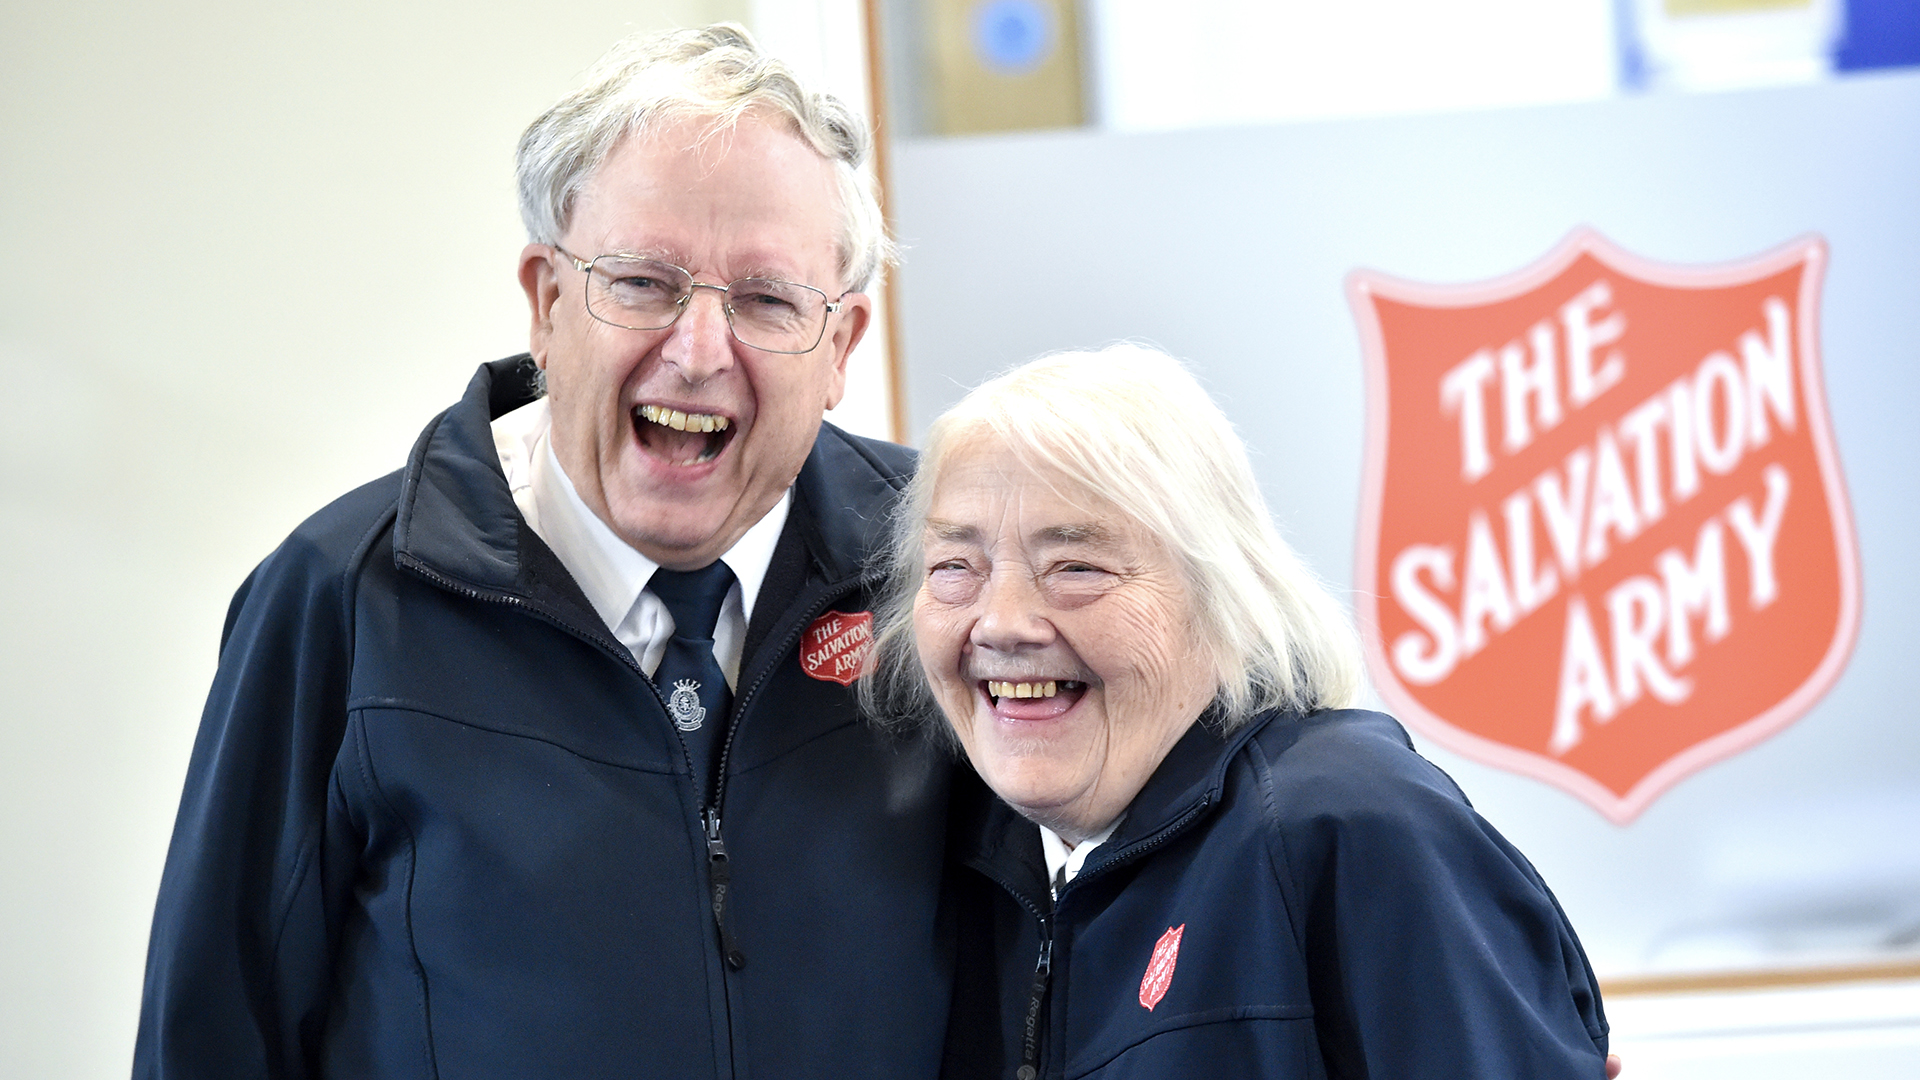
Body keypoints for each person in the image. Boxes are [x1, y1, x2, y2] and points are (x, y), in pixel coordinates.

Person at [134, 25, 952, 1079]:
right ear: (547, 302)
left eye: (766, 300)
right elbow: (211, 1037)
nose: (700, 353)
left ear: (839, 347)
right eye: (643, 282)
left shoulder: (943, 566)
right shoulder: (342, 598)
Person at [863, 343, 1615, 1078]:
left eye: (1077, 567)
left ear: (1222, 598)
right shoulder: (984, 877)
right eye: (955, 567)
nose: (1001, 622)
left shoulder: (1354, 821)